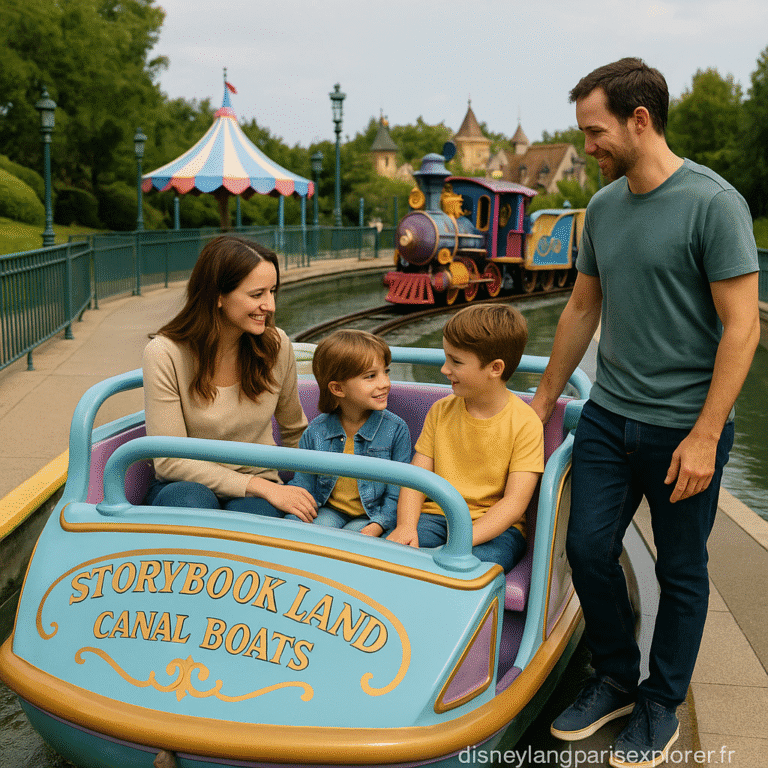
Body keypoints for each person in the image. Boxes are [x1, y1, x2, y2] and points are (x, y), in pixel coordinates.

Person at [529, 58, 760, 768]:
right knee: (586, 548)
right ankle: (615, 679)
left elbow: (742, 327)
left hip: (685, 426)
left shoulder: (714, 204)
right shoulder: (601, 208)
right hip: (608, 414)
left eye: (594, 131)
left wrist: (706, 434)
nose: (587, 146)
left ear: (639, 120)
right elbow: (581, 307)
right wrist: (542, 401)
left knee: (681, 570)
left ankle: (661, 702)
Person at [142, 234, 317, 521]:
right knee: (190, 503)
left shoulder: (276, 346)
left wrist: (310, 490)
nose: (270, 306)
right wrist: (258, 486)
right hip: (186, 484)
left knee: (254, 520)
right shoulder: (165, 354)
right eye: (257, 295)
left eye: (273, 292)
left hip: (259, 487)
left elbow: (295, 432)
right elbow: (169, 460)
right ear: (218, 296)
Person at [388, 303, 543, 573]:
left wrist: (459, 541)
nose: (444, 369)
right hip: (437, 516)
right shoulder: (441, 411)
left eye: (456, 362)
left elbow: (514, 504)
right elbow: (417, 478)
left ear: (495, 368)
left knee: (471, 570)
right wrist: (406, 526)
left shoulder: (526, 423)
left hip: (493, 528)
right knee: (395, 559)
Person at [287, 330, 412, 535]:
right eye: (371, 376)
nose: (385, 383)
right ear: (337, 389)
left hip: (371, 515)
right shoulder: (316, 431)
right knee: (299, 531)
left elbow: (398, 491)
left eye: (386, 372)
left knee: (351, 541)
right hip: (328, 510)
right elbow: (304, 484)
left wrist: (379, 524)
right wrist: (295, 517)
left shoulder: (396, 430)